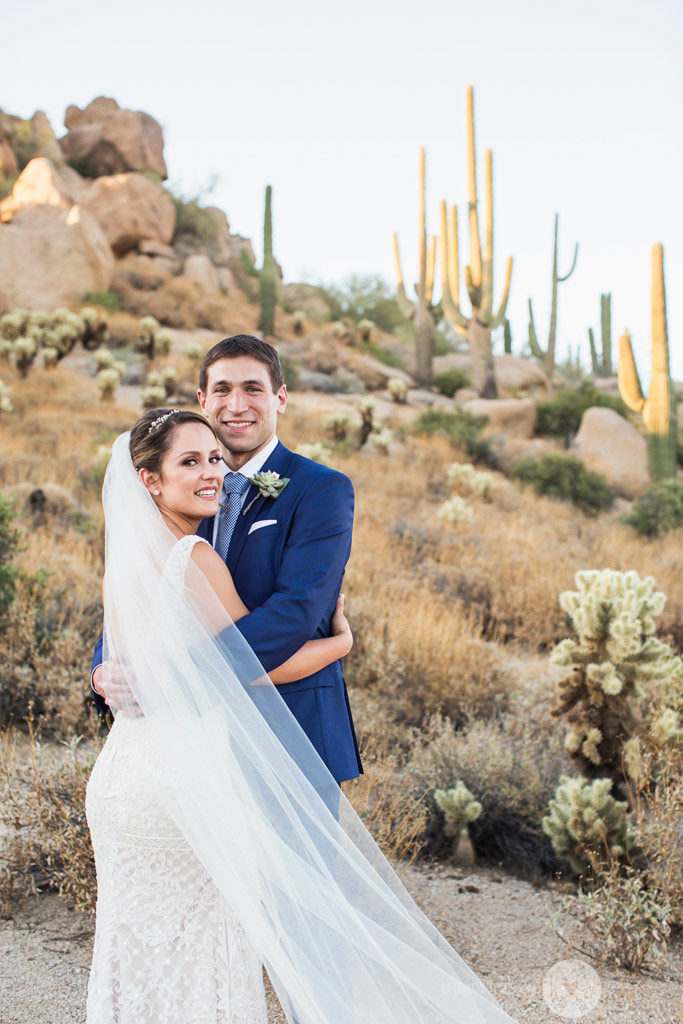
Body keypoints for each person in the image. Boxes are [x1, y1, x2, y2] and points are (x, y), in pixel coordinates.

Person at [85, 407, 521, 1023]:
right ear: (149, 480)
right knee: (207, 947)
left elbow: (131, 652)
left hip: (120, 781)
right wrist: (340, 643)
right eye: (190, 461)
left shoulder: (124, 559)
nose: (212, 472)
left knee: (137, 948)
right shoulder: (193, 558)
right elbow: (247, 664)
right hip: (181, 779)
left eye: (214, 458)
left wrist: (108, 674)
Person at [92, 335, 362, 787]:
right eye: (221, 390)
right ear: (203, 399)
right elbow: (139, 598)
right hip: (187, 753)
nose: (236, 404)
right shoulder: (181, 498)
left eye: (253, 388)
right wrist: (106, 671)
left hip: (288, 734)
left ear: (281, 398)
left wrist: (171, 676)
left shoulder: (321, 490)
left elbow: (295, 611)